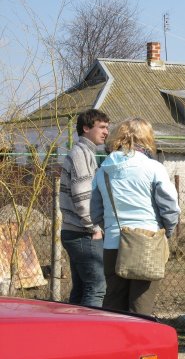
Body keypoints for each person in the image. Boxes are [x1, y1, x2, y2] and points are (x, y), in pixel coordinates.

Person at [90, 118, 180, 315]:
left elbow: (95, 213)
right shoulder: (154, 168)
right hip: (147, 243)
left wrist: (112, 229)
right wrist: (168, 232)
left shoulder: (103, 170)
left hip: (113, 244)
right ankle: (139, 345)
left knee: (113, 305)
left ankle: (113, 344)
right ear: (147, 139)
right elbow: (170, 208)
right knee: (140, 307)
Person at [60, 109, 110, 307]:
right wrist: (94, 227)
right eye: (102, 127)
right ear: (86, 128)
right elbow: (82, 197)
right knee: (96, 288)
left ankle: (72, 334)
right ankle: (90, 334)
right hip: (83, 233)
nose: (106, 132)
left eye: (107, 127)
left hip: (76, 231)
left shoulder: (86, 152)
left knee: (82, 289)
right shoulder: (81, 154)